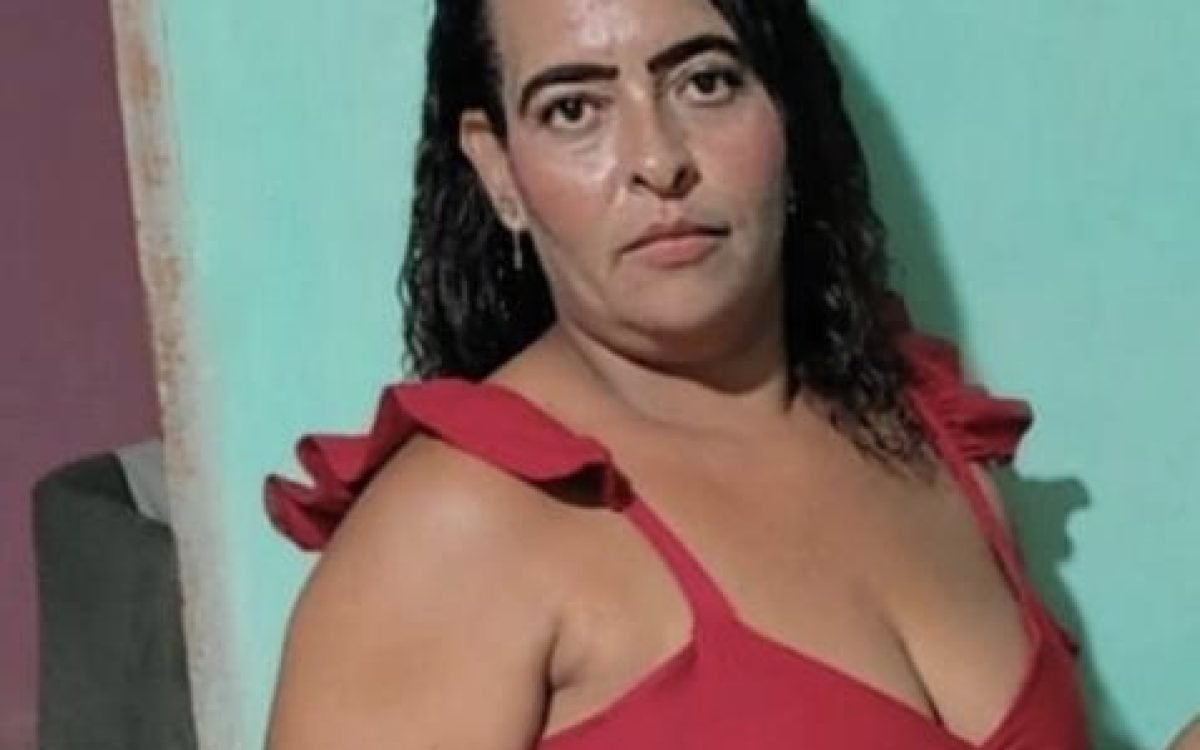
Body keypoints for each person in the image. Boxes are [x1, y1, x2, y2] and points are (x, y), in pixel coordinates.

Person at [263, 0, 1099, 747]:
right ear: (498, 169)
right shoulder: (453, 531)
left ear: (785, 110)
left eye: (706, 82)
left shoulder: (925, 436)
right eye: (574, 108)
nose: (659, 161)